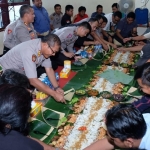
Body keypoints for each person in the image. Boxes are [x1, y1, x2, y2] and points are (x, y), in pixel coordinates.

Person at [0, 34, 65, 103]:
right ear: (46, 45)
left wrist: (56, 88)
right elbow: (32, 80)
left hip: (17, 73)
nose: (53, 54)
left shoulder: (44, 50)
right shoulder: (29, 51)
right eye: (53, 51)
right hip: (4, 73)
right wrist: (54, 94)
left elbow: (49, 69)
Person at [0, 84, 64, 150]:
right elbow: (24, 142)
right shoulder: (16, 144)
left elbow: (26, 139)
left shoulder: (6, 127)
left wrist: (52, 149)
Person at [84, 104, 150, 150]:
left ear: (129, 142)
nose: (110, 140)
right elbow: (107, 142)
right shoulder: (139, 118)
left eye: (113, 139)